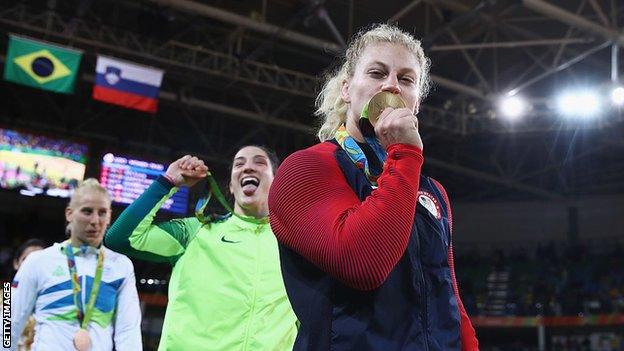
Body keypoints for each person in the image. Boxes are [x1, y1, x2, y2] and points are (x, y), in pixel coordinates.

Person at [268, 24, 479, 350]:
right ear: (347, 89)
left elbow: (449, 294)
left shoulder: (432, 191)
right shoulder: (305, 169)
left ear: (416, 103)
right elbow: (364, 264)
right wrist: (406, 154)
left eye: (406, 79)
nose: (392, 86)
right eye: (378, 73)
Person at [104, 146, 298, 350]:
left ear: (277, 181)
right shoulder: (195, 231)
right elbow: (120, 237)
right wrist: (168, 181)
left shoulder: (294, 243)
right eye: (239, 164)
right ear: (231, 186)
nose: (248, 168)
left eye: (259, 162)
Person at [10, 179, 142, 351]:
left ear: (109, 216)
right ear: (69, 214)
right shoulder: (37, 261)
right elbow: (7, 321)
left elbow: (129, 332)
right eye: (87, 211)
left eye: (102, 213)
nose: (95, 220)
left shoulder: (121, 266)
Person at [12, 239, 45, 351]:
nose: (33, 266)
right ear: (16, 264)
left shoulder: (53, 296)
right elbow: (5, 332)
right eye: (26, 260)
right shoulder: (5, 295)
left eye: (40, 261)